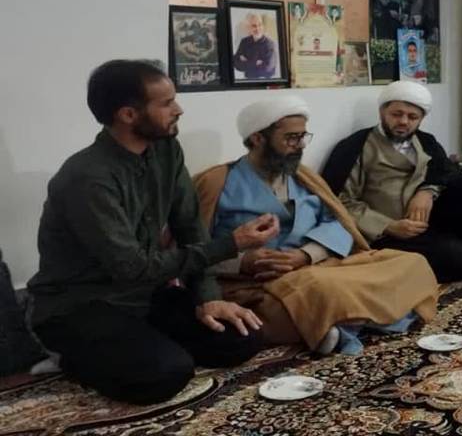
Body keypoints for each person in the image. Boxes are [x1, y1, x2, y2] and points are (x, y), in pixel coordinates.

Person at [28, 60, 276, 404]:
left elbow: (190, 226)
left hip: (144, 295)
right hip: (82, 305)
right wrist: (231, 244)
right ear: (128, 115)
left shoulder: (165, 150)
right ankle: (67, 356)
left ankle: (141, 344)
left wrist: (208, 297)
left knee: (243, 339)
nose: (179, 110)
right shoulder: (87, 178)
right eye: (166, 103)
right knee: (166, 374)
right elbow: (130, 268)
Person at [194, 97, 439, 355]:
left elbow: (339, 223)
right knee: (319, 290)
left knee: (412, 263)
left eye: (303, 137)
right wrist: (243, 261)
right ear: (257, 139)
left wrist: (306, 254)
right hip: (260, 283)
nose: (300, 145)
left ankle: (337, 323)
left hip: (318, 266)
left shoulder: (303, 176)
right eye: (291, 138)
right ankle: (353, 319)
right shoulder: (215, 183)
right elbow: (192, 251)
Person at [323, 81, 462, 282]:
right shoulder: (356, 147)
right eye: (397, 114)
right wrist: (388, 226)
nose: (403, 121)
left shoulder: (426, 141)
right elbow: (341, 203)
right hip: (388, 233)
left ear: (421, 119)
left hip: (429, 220)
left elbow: (445, 173)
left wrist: (427, 192)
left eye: (412, 117)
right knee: (461, 258)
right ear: (382, 112)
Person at [233, 13, 277, 79]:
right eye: (254, 26)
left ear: (263, 26)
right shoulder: (244, 42)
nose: (257, 28)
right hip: (248, 81)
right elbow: (236, 63)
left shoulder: (270, 44)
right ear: (249, 28)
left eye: (260, 25)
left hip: (265, 82)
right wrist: (256, 63)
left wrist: (247, 62)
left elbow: (267, 68)